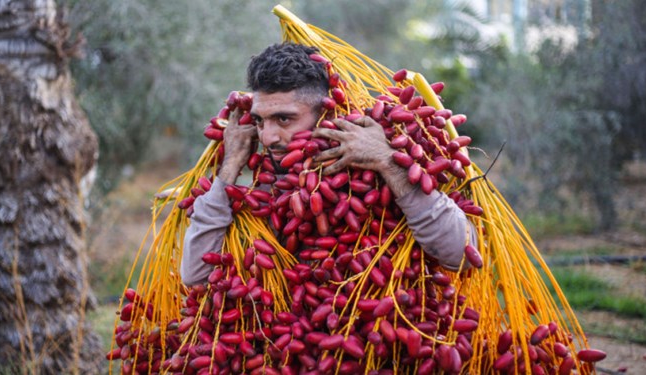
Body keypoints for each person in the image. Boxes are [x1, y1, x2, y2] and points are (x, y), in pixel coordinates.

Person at [180, 43, 476, 287]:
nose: (268, 137)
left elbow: (462, 255)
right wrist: (229, 167)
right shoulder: (264, 191)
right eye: (259, 121)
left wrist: (389, 163)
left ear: (326, 113)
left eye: (284, 119)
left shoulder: (391, 162)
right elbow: (196, 278)